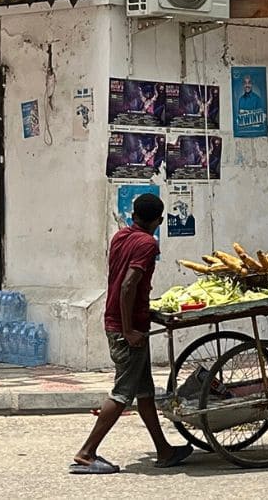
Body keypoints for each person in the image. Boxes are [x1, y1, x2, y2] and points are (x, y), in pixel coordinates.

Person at [71, 194, 192, 474]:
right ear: (159, 220)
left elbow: (126, 283)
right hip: (127, 329)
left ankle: (164, 450)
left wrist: (143, 311)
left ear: (133, 215)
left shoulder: (121, 237)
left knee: (144, 392)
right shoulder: (147, 243)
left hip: (123, 320)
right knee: (123, 393)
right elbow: (128, 285)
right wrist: (129, 330)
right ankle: (87, 452)